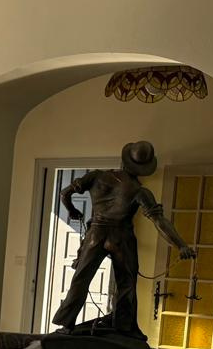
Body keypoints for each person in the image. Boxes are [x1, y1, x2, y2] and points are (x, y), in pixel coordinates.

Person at [51, 140, 196, 336]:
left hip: (96, 234)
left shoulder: (96, 176)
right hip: (121, 237)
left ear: (125, 159)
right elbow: (159, 222)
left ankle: (66, 324)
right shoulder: (139, 191)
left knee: (80, 280)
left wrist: (72, 211)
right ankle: (124, 328)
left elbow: (64, 194)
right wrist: (181, 245)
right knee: (126, 284)